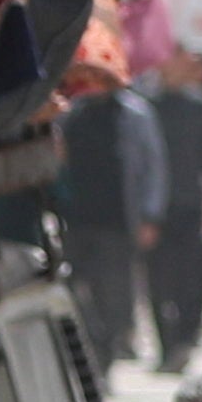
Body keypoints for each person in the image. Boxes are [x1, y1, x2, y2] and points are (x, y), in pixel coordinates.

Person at [56, 69, 166, 381]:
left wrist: (150, 214)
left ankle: (107, 353)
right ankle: (91, 356)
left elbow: (153, 167)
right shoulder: (71, 114)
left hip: (117, 222)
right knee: (77, 292)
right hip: (75, 220)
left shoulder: (134, 115)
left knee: (114, 295)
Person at [147, 59, 202, 368]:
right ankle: (165, 344)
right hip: (154, 208)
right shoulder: (146, 106)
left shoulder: (198, 107)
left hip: (190, 204)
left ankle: (185, 339)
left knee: (192, 278)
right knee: (158, 281)